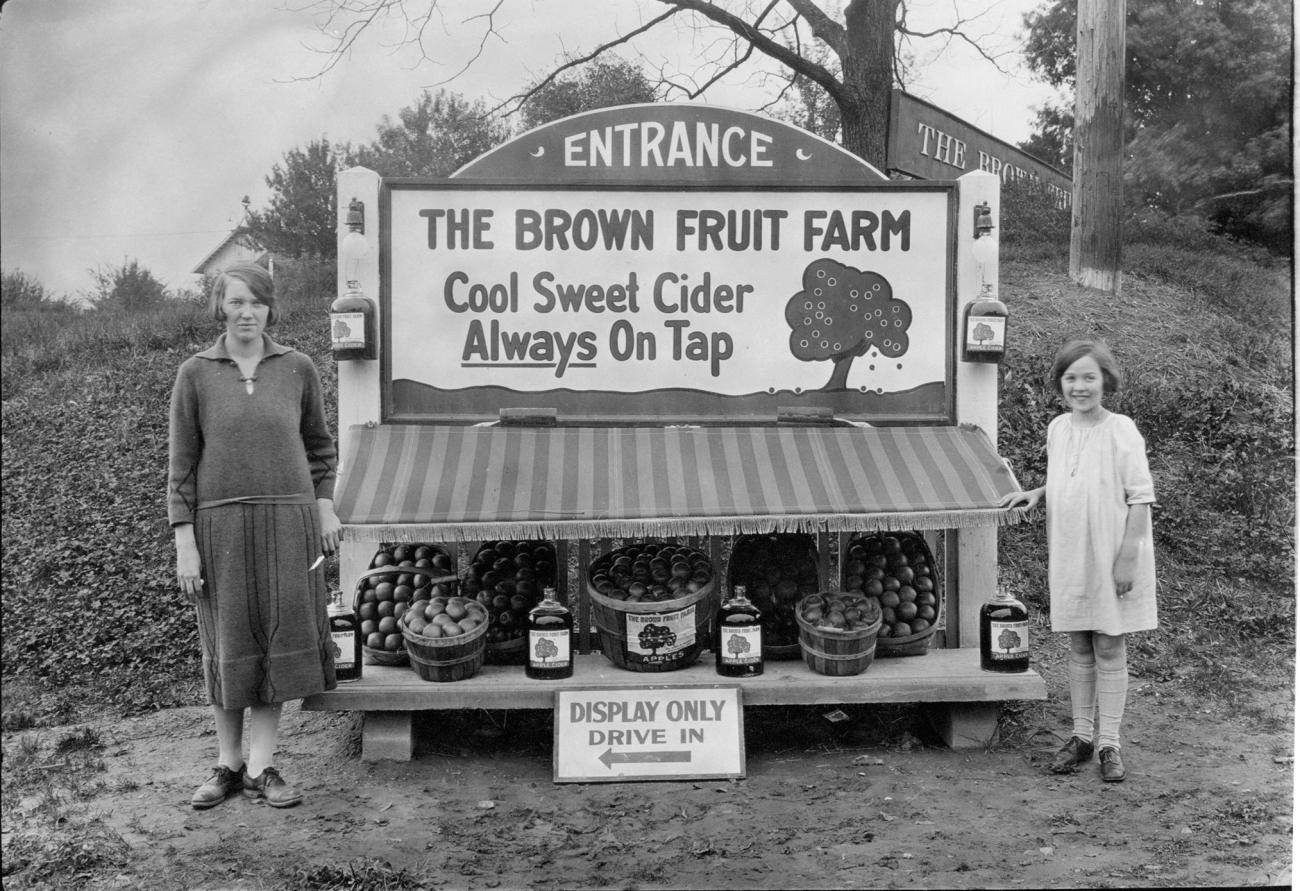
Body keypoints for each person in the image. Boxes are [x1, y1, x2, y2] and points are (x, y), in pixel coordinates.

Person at [168, 262, 342, 809]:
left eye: (256, 303)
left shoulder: (298, 368)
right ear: (220, 307)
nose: (246, 312)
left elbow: (320, 449)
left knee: (278, 640)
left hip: (290, 522)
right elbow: (181, 467)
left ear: (270, 309)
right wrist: (185, 541)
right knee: (229, 642)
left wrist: (325, 509)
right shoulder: (194, 374)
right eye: (236, 302)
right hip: (220, 527)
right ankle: (228, 764)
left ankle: (263, 767)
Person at [1000, 339, 1157, 783]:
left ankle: (1110, 743)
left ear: (1106, 381)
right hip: (1071, 550)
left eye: (1089, 377)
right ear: (1060, 384)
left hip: (1112, 552)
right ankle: (1081, 737)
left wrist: (1128, 558)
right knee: (1079, 644)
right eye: (1071, 378)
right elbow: (1075, 478)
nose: (1080, 387)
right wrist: (1039, 491)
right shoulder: (1058, 428)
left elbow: (1140, 497)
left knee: (1108, 643)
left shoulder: (1121, 429)